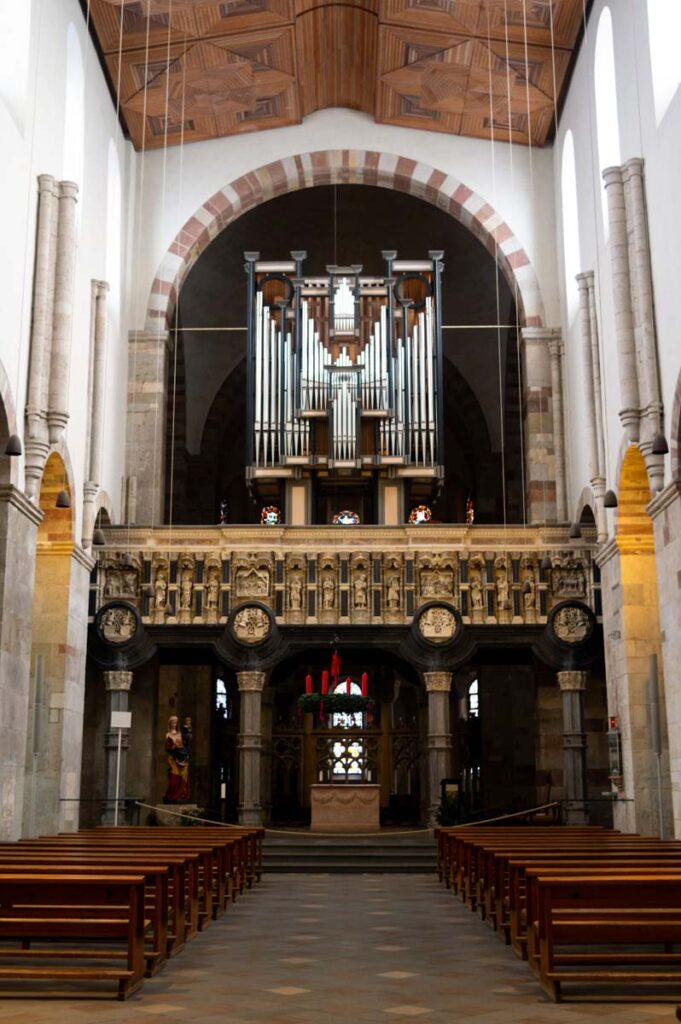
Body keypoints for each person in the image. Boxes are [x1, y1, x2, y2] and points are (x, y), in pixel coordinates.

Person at [164, 715, 191, 803]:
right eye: (172, 722)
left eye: (175, 722)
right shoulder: (168, 734)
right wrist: (173, 746)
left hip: (182, 757)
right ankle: (171, 795)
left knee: (183, 776)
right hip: (173, 758)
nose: (174, 724)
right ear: (170, 723)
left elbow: (185, 744)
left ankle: (182, 794)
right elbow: (167, 747)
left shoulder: (180, 733)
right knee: (174, 777)